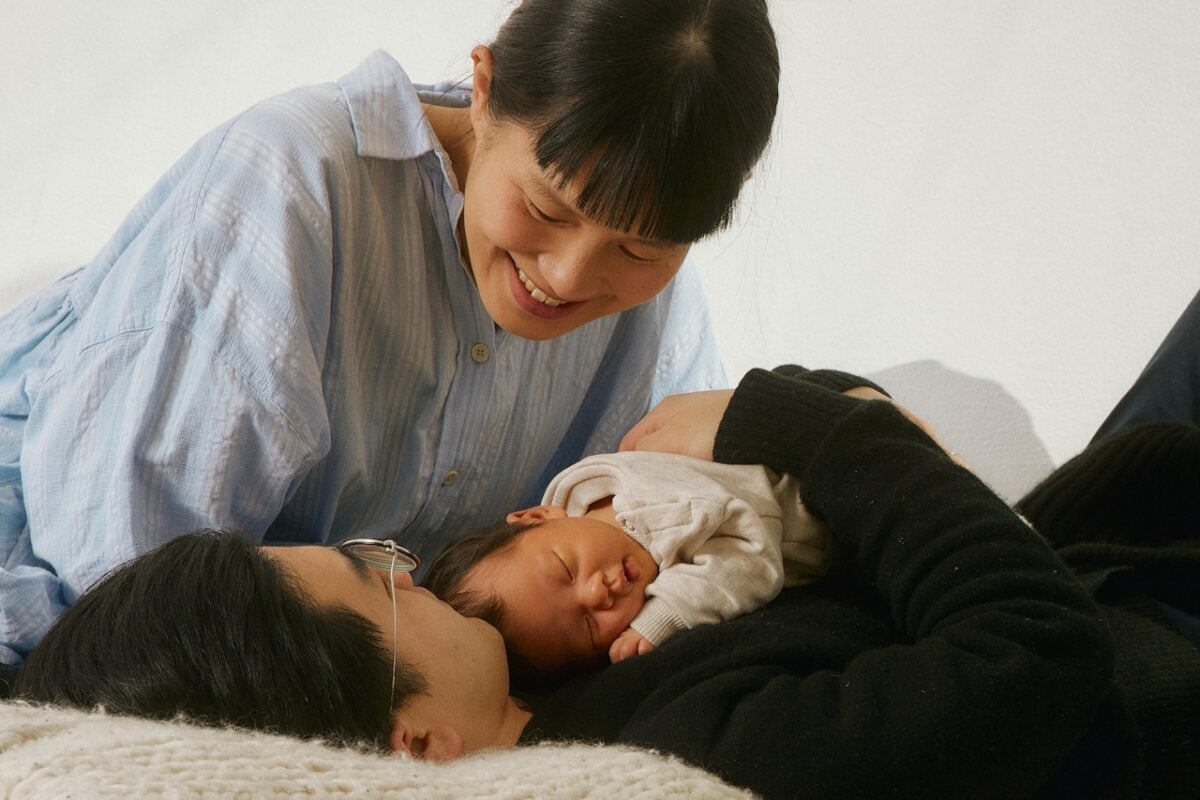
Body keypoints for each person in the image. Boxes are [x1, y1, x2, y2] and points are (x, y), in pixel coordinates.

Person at [19, 329, 1200, 797]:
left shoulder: (559, 673)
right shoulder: (687, 758)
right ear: (412, 741)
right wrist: (797, 419)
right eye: (375, 577)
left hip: (1100, 521)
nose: (406, 563)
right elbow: (1038, 651)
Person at [0, 0, 781, 666]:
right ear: (483, 88)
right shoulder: (293, 185)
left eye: (640, 249)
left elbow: (708, 536)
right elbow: (123, 588)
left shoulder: (660, 309)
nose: (572, 277)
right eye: (547, 210)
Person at [422, 409, 884, 677]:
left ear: (537, 516)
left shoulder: (654, 508)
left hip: (851, 498)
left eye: (566, 569)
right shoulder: (598, 499)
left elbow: (751, 554)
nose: (596, 593)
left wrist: (665, 613)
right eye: (586, 628)